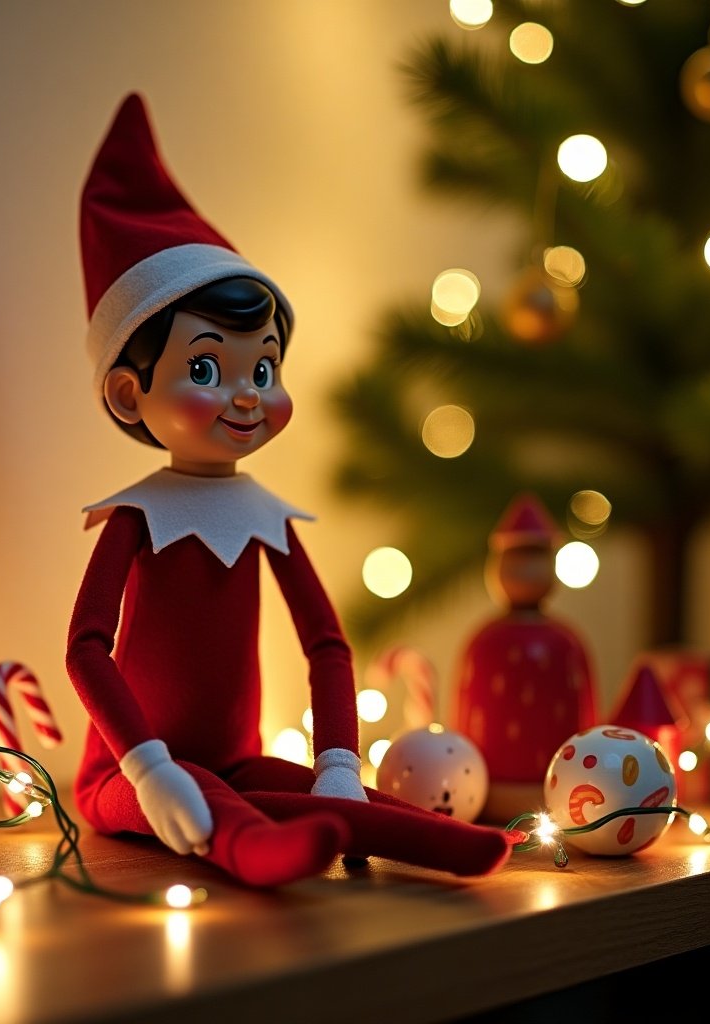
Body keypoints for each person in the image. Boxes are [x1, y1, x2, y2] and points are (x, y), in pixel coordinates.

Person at [66, 92, 514, 886]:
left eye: (264, 368)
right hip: (129, 776)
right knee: (212, 802)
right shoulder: (137, 518)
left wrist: (339, 762)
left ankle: (452, 846)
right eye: (208, 368)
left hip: (235, 756)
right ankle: (265, 854)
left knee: (306, 790)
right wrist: (146, 768)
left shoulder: (263, 517)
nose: (247, 395)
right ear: (131, 396)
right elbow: (86, 651)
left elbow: (327, 644)